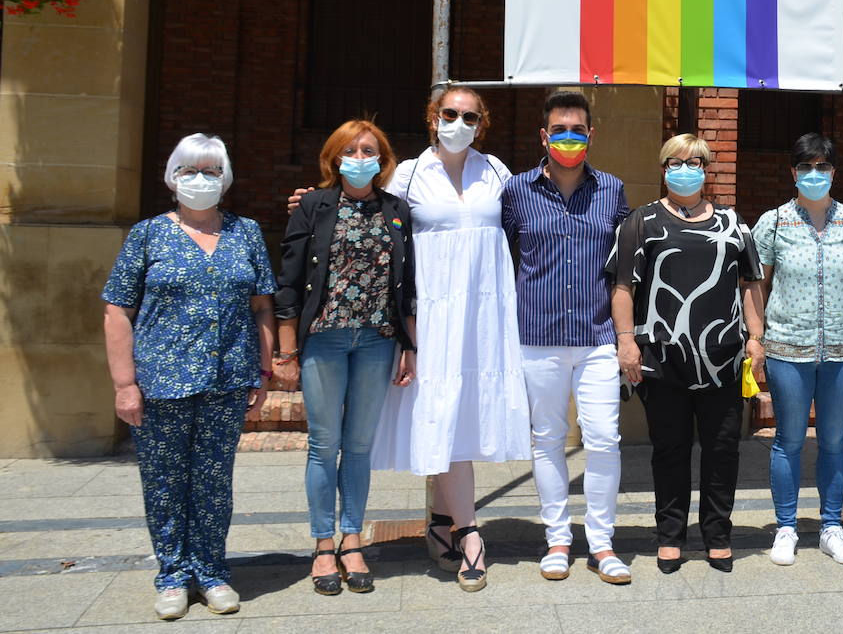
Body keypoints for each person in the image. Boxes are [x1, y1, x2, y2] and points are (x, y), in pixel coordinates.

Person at [101, 133, 277, 620]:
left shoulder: (246, 232)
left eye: (212, 172)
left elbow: (262, 306)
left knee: (214, 482)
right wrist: (124, 384)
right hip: (161, 381)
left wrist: (262, 372)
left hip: (227, 379)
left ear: (226, 179)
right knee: (163, 481)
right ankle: (173, 575)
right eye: (190, 171)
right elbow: (117, 311)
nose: (200, 180)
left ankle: (213, 571)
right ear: (172, 176)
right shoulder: (148, 234)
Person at [368, 84, 530, 592]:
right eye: (448, 113)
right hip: (431, 314)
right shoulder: (409, 173)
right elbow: (375, 228)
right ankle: (470, 532)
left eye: (468, 116)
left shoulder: (497, 171)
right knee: (442, 408)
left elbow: (527, 226)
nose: (457, 122)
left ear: (482, 124)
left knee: (458, 412)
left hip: (483, 314)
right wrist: (312, 199)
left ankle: (441, 520)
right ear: (431, 116)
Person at [608, 134, 765, 574]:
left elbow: (750, 283)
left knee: (722, 450)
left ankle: (717, 535)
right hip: (661, 358)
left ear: (706, 168)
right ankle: (670, 536)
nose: (685, 169)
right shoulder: (641, 221)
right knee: (670, 450)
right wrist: (626, 341)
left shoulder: (735, 223)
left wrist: (756, 337)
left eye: (694, 162)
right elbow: (623, 287)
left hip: (724, 358)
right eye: (676, 161)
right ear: (663, 168)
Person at [275, 119, 418, 596]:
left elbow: (408, 284)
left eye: (370, 150)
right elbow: (289, 280)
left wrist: (409, 345)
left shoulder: (396, 210)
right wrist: (286, 347)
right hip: (325, 339)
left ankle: (352, 539)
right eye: (352, 150)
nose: (361, 157)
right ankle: (322, 544)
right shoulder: (312, 206)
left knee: (358, 447)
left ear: (383, 158)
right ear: (334, 157)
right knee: (323, 444)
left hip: (377, 340)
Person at [501, 91, 633, 585]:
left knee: (604, 439)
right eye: (560, 130)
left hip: (598, 336)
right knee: (547, 440)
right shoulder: (516, 192)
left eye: (577, 130)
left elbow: (624, 269)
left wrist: (627, 336)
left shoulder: (613, 190)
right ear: (544, 135)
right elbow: (498, 255)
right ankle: (557, 538)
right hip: (537, 337)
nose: (569, 138)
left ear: (591, 135)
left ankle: (602, 543)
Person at [752, 134, 843, 567]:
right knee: (788, 440)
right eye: (806, 167)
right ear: (793, 172)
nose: (814, 175)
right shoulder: (774, 222)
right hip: (788, 348)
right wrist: (759, 334)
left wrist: (842, 319)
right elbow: (757, 285)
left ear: (834, 172)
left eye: (822, 167)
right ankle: (786, 527)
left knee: (835, 441)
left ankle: (832, 526)